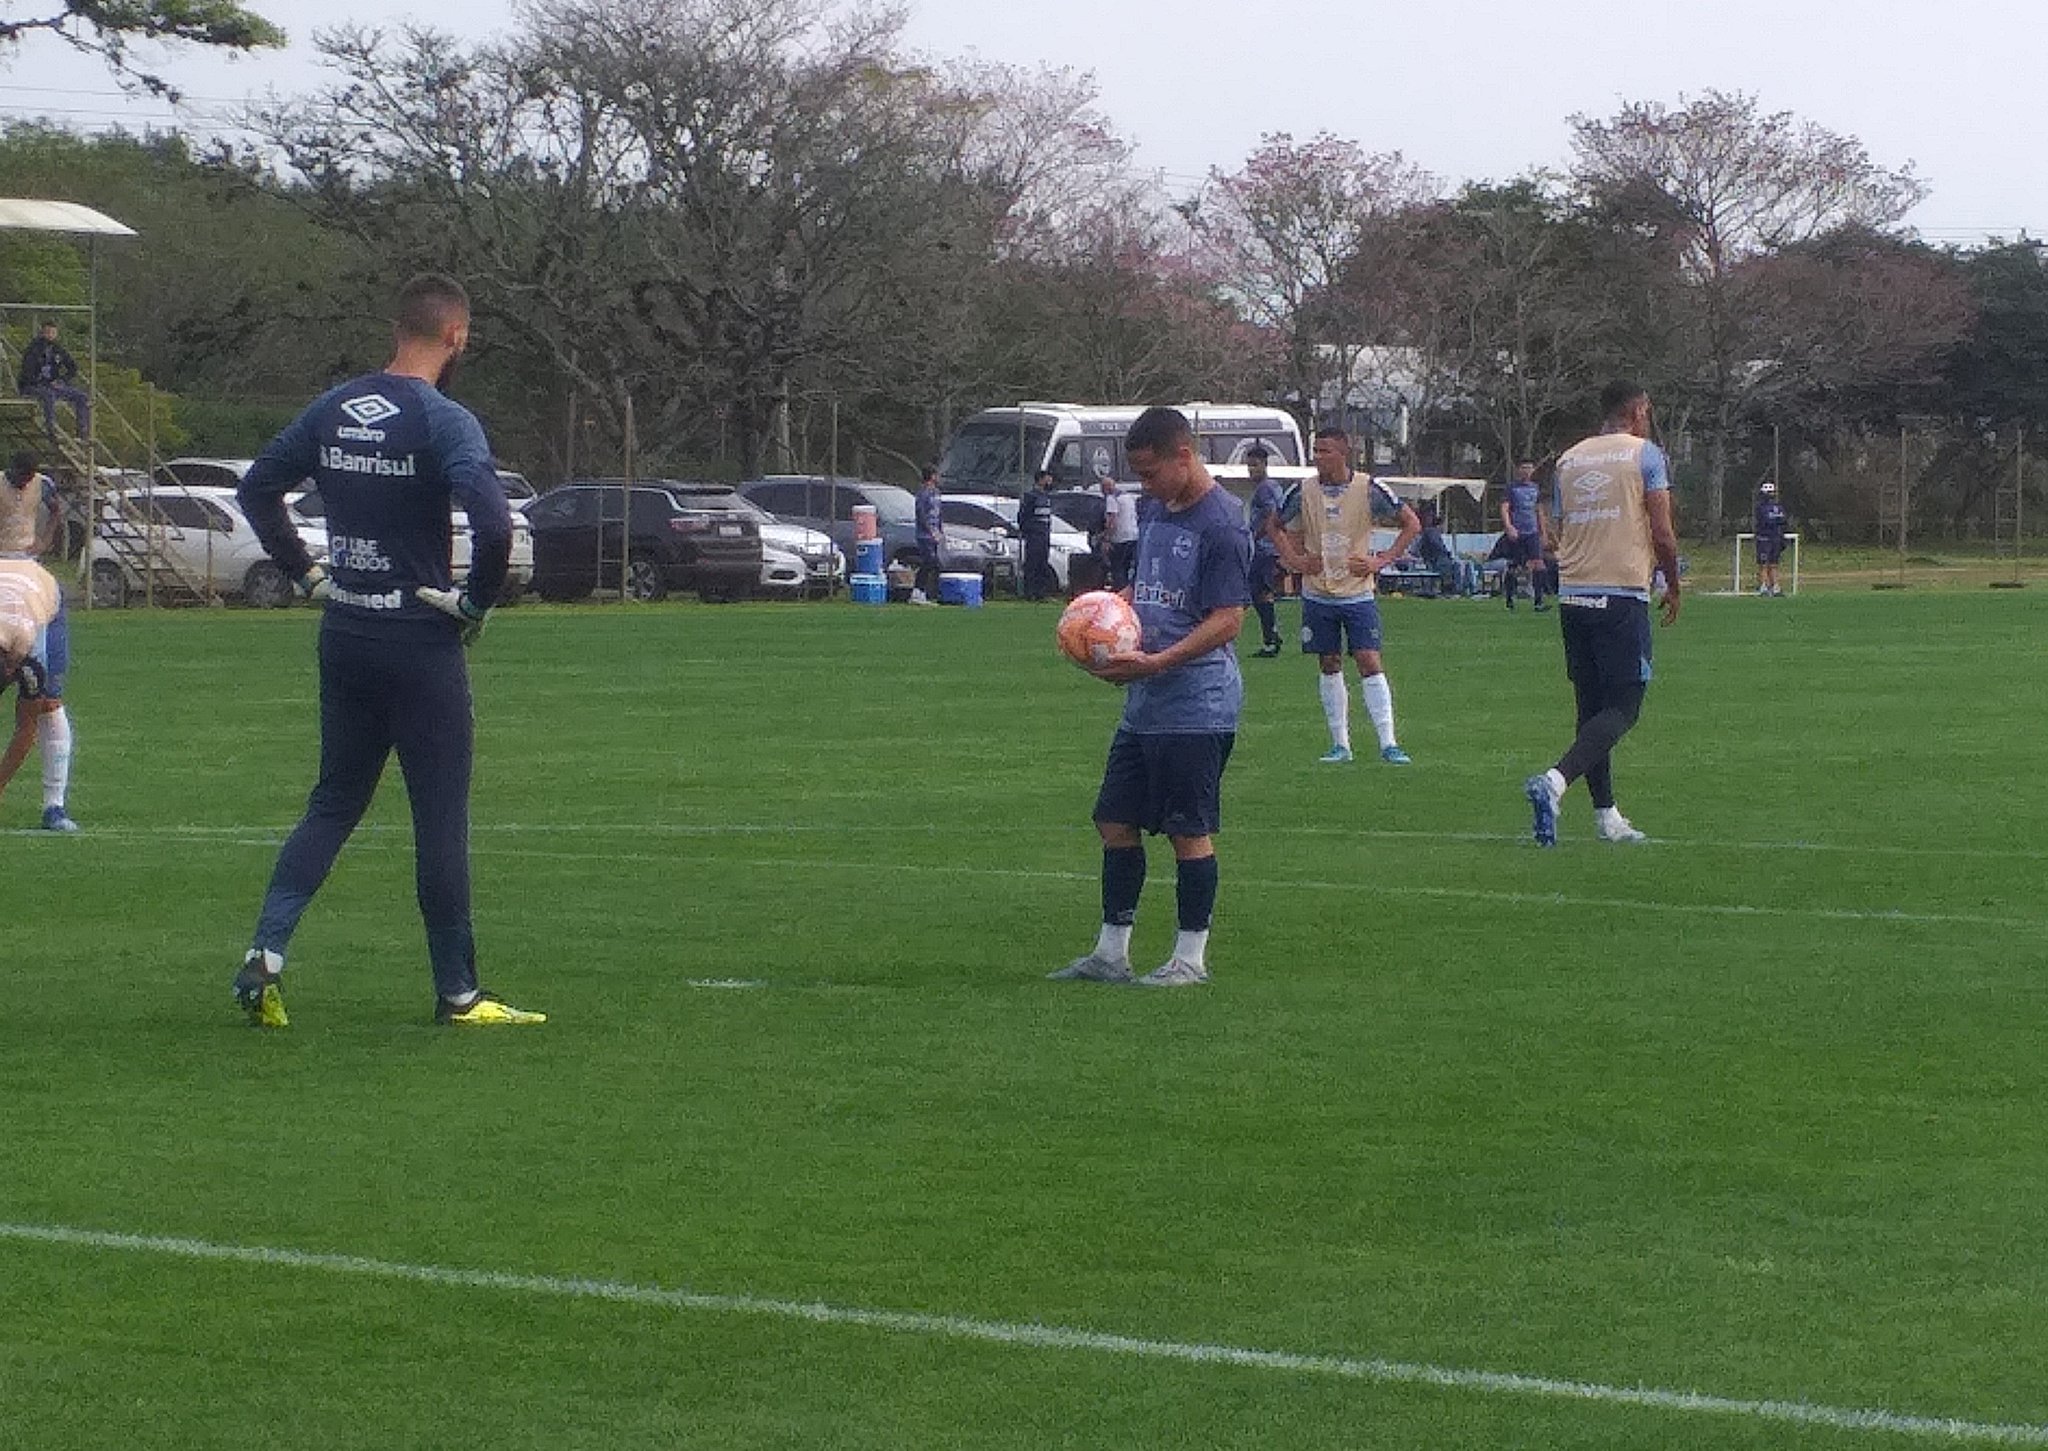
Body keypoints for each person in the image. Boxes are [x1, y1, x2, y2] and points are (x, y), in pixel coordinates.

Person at [230, 274, 542, 1028]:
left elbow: (258, 488)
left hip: (345, 631)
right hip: (419, 640)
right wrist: (475, 603)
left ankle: (266, 952)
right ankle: (459, 993)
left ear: (397, 328)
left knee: (333, 802)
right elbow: (494, 524)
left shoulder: (335, 407)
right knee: (439, 816)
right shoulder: (443, 419)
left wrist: (305, 571)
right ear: (456, 337)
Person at [1050, 406, 1250, 988]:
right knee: (1114, 819)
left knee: (1188, 830)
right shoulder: (1157, 510)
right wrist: (1107, 615)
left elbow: (1229, 619)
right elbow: (1151, 586)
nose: (1144, 485)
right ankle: (1111, 955)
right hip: (1146, 702)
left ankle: (1190, 959)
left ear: (1183, 456)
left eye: (1150, 473)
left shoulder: (1223, 523)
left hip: (1197, 704)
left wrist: (1159, 661)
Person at [1524, 380, 1681, 846]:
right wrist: (1673, 582)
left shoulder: (1570, 459)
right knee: (1624, 707)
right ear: (1637, 410)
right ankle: (1554, 782)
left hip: (1573, 594)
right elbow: (1663, 532)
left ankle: (1606, 816)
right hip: (1620, 593)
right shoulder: (1645, 455)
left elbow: (1558, 529)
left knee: (1591, 708)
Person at [1268, 427, 1419, 765]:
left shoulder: (1369, 488)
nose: (1318, 457)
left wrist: (1380, 561)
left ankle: (1388, 742)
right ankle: (1340, 744)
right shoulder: (1303, 490)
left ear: (1343, 453)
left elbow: (1411, 523)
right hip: (1318, 593)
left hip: (1357, 593)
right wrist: (1294, 561)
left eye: (1325, 451)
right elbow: (1273, 525)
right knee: (1329, 662)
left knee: (1368, 659)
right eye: (1316, 451)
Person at [0, 451, 76, 830]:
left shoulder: (27, 652)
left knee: (47, 703)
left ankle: (54, 806)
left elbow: (25, 728)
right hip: (8, 574)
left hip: (38, 591)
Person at [17, 320, 91, 445]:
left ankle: (82, 433)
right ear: (42, 333)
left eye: (53, 332)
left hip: (52, 385)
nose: (50, 335)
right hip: (32, 385)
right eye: (47, 332)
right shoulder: (34, 349)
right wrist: (39, 382)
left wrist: (62, 380)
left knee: (82, 397)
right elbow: (27, 372)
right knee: (48, 395)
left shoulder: (58, 349)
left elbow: (73, 368)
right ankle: (51, 429)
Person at [1244, 445, 1285, 656]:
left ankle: (1271, 638)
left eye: (1255, 465)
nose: (1251, 470)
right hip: (1269, 547)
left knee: (1260, 593)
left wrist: (1256, 536)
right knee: (1260, 592)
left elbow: (1271, 515)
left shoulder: (1265, 489)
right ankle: (1272, 636)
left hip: (1263, 548)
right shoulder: (1273, 486)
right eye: (1249, 466)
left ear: (1265, 464)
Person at [1500, 460, 1551, 611]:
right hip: (1517, 531)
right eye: (1523, 468)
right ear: (1518, 470)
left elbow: (1539, 511)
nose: (1526, 471)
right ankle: (1509, 599)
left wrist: (1544, 533)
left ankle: (1538, 601)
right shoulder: (1512, 488)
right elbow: (1504, 508)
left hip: (1532, 532)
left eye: (1529, 468)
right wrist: (1509, 526)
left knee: (1539, 565)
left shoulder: (1535, 488)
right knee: (1514, 566)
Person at [1018, 467, 1056, 600]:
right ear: (1040, 480)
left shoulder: (1046, 496)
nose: (1050, 481)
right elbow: (1023, 516)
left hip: (1044, 535)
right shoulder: (1031, 496)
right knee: (1032, 563)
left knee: (1042, 563)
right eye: (1047, 478)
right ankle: (1029, 592)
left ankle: (1041, 592)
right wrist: (1028, 531)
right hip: (1034, 535)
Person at [1101, 470, 1140, 589]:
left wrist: (1106, 539)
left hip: (1120, 538)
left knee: (1118, 568)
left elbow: (1112, 520)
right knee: (1129, 568)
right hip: (1133, 536)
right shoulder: (1128, 497)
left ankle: (1120, 592)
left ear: (1106, 488)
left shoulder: (1112, 498)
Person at [911, 465, 943, 605]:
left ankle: (923, 592)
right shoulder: (923, 493)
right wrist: (930, 530)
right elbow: (921, 514)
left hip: (935, 533)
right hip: (925, 535)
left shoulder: (936, 492)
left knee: (932, 563)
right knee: (928, 562)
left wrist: (940, 530)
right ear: (932, 476)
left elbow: (939, 513)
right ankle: (917, 592)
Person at [1754, 478, 1789, 597]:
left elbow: (1781, 521)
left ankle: (1774, 587)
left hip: (1771, 539)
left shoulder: (1774, 507)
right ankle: (1765, 587)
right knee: (1766, 564)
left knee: (1770, 564)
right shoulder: (1765, 507)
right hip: (1767, 538)